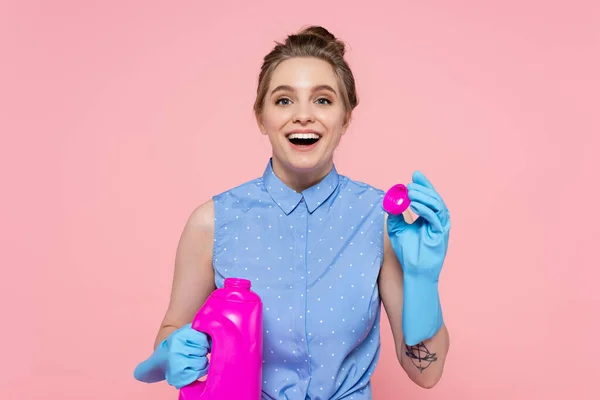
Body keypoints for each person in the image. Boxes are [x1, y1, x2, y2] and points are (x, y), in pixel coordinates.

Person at [133, 25, 451, 398]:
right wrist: (172, 354)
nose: (303, 115)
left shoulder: (379, 221)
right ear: (260, 117)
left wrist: (422, 282)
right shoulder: (212, 222)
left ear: (346, 118)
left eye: (323, 100)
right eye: (284, 100)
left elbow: (425, 374)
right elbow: (171, 331)